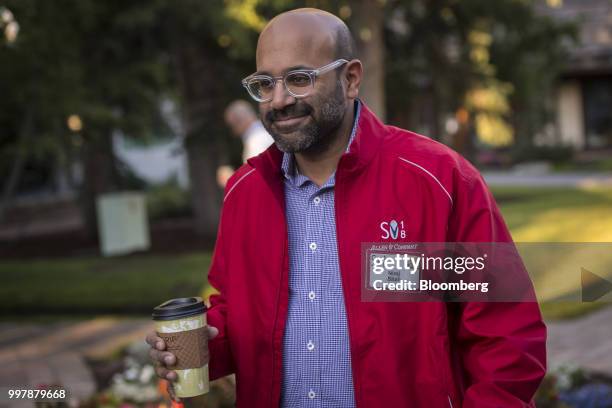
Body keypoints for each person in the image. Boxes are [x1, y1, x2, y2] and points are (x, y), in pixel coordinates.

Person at [147, 8, 546, 407]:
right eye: (265, 84)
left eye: (299, 79)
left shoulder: (437, 180)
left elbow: (505, 336)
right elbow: (241, 315)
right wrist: (203, 345)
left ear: (350, 78)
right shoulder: (244, 193)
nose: (280, 100)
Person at [217, 100, 274, 188]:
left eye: (232, 126)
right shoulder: (266, 131)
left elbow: (257, 182)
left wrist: (231, 179)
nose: (233, 132)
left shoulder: (255, 142)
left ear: (238, 122)